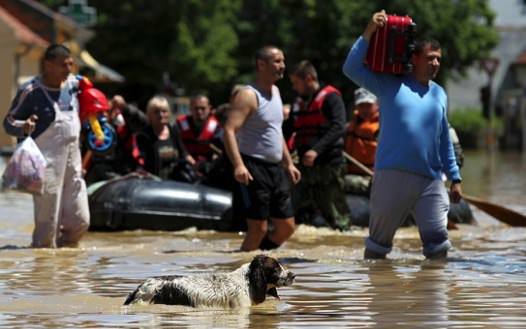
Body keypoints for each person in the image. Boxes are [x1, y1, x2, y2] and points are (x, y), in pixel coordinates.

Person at [342, 10, 462, 259]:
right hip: (391, 175)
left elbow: (443, 140)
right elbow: (351, 68)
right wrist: (368, 32)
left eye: (438, 59)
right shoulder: (389, 84)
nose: (436, 63)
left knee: (439, 246)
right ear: (415, 58)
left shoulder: (440, 93)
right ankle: (381, 295)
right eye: (430, 58)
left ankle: (433, 295)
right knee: (377, 247)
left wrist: (455, 177)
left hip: (430, 179)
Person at [3, 44, 90, 248]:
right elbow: (8, 122)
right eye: (63, 65)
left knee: (80, 221)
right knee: (46, 230)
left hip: (73, 163)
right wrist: (23, 126)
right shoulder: (31, 91)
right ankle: (45, 272)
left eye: (70, 64)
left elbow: (92, 102)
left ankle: (66, 263)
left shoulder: (73, 86)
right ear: (48, 65)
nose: (69, 70)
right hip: (46, 167)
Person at [223, 45, 301, 251]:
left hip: (276, 169)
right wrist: (238, 165)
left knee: (287, 227)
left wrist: (289, 163)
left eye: (283, 61)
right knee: (258, 229)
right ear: (261, 65)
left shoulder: (276, 92)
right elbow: (229, 130)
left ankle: (259, 261)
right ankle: (241, 272)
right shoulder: (248, 95)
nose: (283, 66)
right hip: (253, 167)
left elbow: (276, 132)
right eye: (277, 61)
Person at [288, 60, 351, 230]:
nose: (294, 87)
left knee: (336, 215)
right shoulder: (298, 103)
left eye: (296, 83)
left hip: (329, 164)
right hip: (305, 167)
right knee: (300, 212)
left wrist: (316, 150)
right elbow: (288, 130)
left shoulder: (331, 98)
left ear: (308, 78)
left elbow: (338, 127)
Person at [135, 95, 196, 181]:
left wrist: (195, 165)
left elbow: (183, 152)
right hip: (153, 182)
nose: (161, 115)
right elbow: (141, 164)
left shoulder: (173, 130)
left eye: (164, 111)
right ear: (149, 115)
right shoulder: (143, 136)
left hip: (174, 182)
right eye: (156, 112)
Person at [344, 87, 380, 195]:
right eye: (361, 105)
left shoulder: (383, 127)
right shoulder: (350, 126)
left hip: (372, 177)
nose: (364, 109)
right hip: (351, 175)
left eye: (368, 105)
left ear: (377, 105)